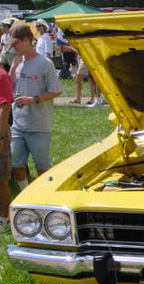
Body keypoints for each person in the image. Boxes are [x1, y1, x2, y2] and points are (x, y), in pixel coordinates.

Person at [6, 24, 62, 191]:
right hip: (18, 124)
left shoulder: (45, 63)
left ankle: (43, 195)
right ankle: (26, 192)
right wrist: (14, 67)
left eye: (16, 43)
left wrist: (33, 99)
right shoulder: (17, 62)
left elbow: (56, 91)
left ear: (27, 40)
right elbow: (8, 88)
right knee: (14, 164)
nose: (13, 47)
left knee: (42, 167)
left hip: (39, 124)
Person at [0, 66, 13, 233]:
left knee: (1, 178)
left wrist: (1, 137)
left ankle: (4, 219)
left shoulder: (2, 75)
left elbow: (4, 108)